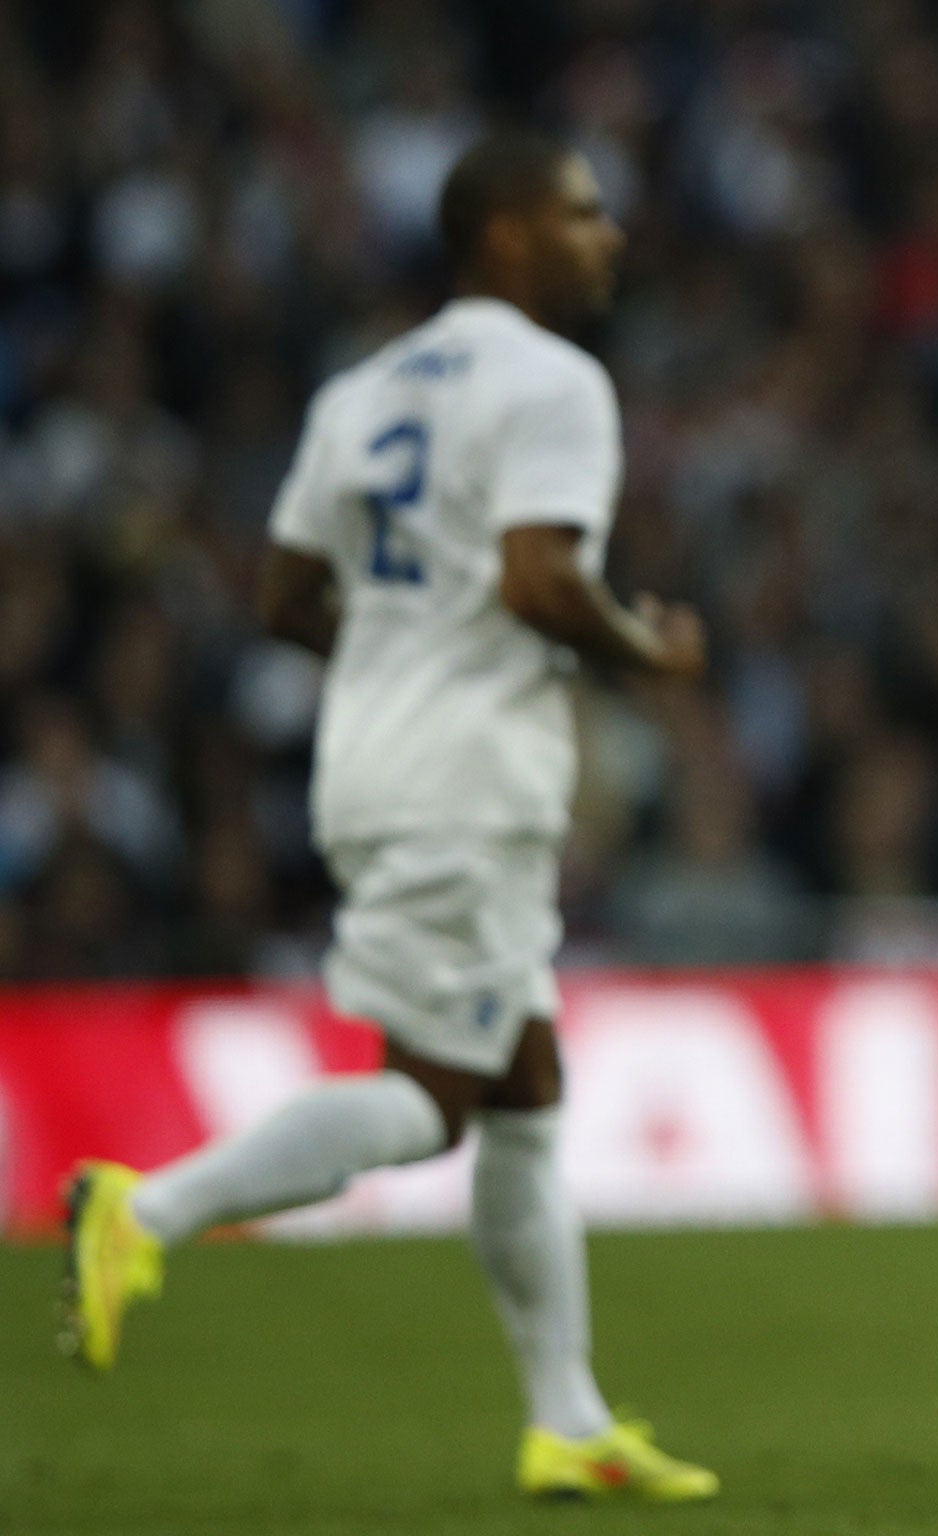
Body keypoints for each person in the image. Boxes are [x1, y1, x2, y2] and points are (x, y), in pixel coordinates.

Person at [58, 131, 718, 1504]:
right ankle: (148, 1208)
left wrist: (407, 643)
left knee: (526, 1092)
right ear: (502, 237)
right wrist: (642, 649)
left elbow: (288, 597)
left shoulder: (360, 392)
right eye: (582, 214)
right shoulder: (557, 384)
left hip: (380, 757)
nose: (609, 237)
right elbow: (542, 581)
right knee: (439, 1095)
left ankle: (568, 1419)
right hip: (468, 781)